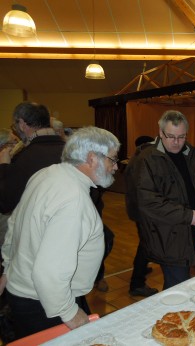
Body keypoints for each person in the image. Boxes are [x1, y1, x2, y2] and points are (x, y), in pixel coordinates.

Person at [0, 126, 120, 339]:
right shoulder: (73, 199)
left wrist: (8, 269)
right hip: (46, 304)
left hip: (29, 293)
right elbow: (49, 273)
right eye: (112, 159)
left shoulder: (47, 173)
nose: (115, 167)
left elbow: (15, 224)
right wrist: (71, 314)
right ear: (92, 158)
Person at [124, 110, 195, 290]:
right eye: (171, 136)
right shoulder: (148, 159)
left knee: (179, 286)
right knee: (177, 287)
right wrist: (186, 215)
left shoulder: (188, 154)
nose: (177, 142)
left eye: (181, 136)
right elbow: (148, 202)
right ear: (160, 133)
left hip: (188, 232)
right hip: (167, 234)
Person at [0, 101, 66, 214]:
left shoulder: (25, 158)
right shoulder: (71, 150)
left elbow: (4, 203)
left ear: (22, 124)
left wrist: (4, 167)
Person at [125, 135, 157, 297]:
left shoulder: (136, 157)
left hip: (137, 210)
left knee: (145, 244)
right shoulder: (144, 159)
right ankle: (137, 283)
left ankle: (142, 269)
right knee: (145, 245)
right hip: (144, 212)